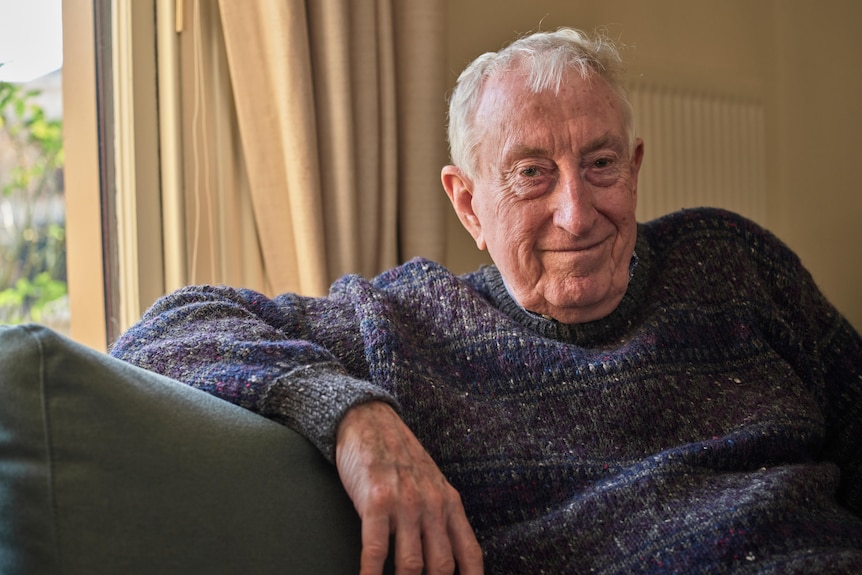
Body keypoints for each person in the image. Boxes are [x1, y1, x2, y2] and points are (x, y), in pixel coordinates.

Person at [110, 27, 862, 574]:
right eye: (532, 173)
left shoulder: (733, 260)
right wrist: (354, 415)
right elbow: (166, 329)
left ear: (634, 166)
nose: (577, 211)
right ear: (468, 204)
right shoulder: (405, 326)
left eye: (600, 163)